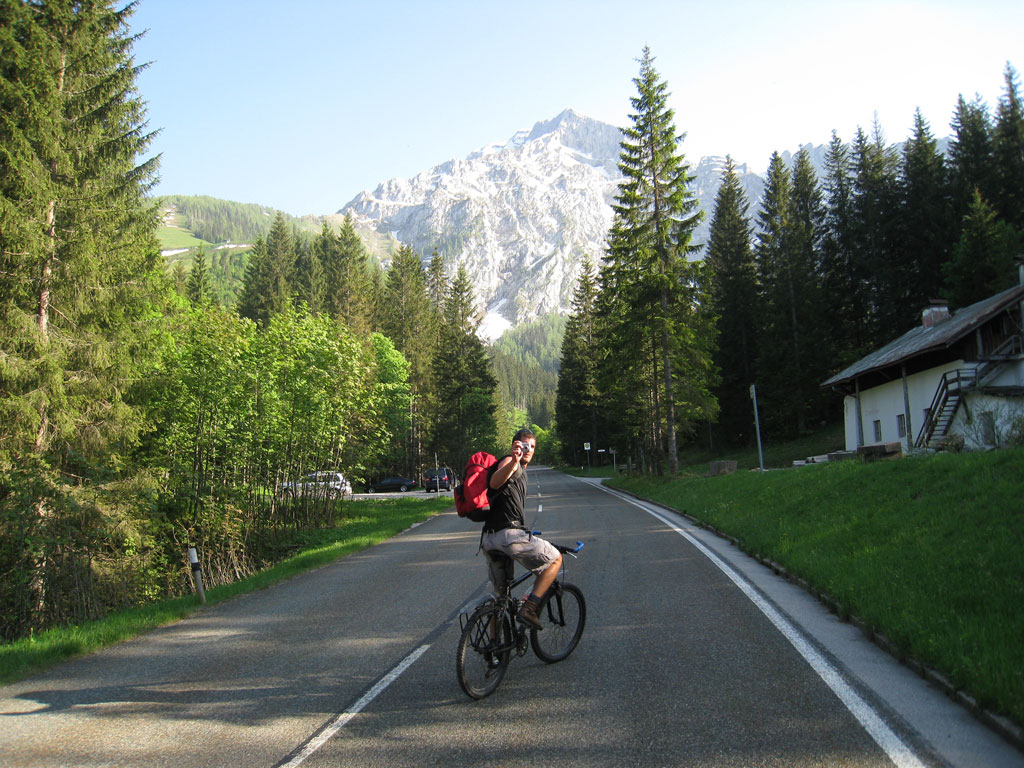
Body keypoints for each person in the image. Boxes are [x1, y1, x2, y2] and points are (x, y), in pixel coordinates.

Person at [481, 428, 562, 630]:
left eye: (532, 447)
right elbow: (494, 482)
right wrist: (514, 460)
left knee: (501, 598)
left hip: (490, 539)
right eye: (525, 445)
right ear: (515, 445)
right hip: (508, 536)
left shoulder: (517, 467)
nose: (528, 450)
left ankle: (495, 651)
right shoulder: (509, 462)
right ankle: (530, 608)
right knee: (555, 559)